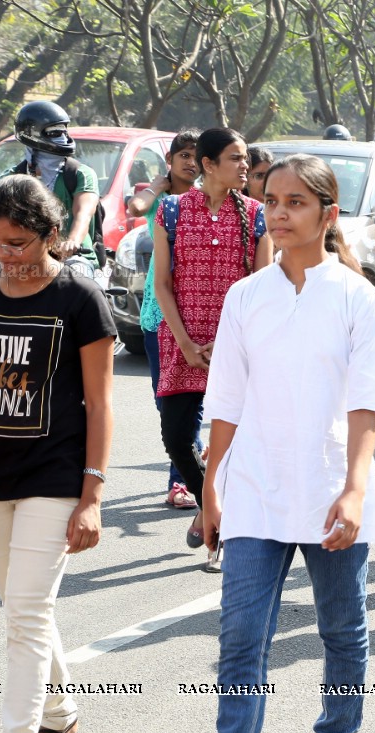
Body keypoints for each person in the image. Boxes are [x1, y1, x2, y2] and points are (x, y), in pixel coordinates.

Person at [202, 154, 375, 733]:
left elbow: (366, 403)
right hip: (254, 486)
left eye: (296, 203)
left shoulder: (361, 300)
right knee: (242, 637)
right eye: (272, 201)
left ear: (327, 215)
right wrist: (210, 488)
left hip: (333, 489)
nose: (278, 213)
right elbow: (224, 402)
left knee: (342, 631)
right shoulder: (245, 297)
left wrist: (356, 488)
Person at [0, 174, 115, 733]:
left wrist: (91, 495)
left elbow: (100, 403)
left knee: (26, 617)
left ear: (51, 235)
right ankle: (60, 719)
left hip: (54, 478)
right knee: (23, 611)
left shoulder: (79, 299)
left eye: (16, 242)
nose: (4, 255)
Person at [153, 127, 272, 572]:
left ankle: (220, 538)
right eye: (235, 158)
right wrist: (185, 342)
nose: (246, 166)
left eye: (245, 158)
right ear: (207, 164)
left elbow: (261, 291)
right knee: (177, 440)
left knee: (233, 449)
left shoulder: (258, 215)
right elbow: (163, 284)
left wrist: (225, 344)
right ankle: (209, 506)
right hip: (181, 344)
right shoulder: (171, 211)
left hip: (237, 349)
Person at [126, 129, 203, 510]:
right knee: (166, 401)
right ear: (170, 160)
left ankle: (183, 481)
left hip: (197, 312)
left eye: (195, 155)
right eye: (182, 155)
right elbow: (135, 207)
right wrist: (158, 184)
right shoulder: (163, 202)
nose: (190, 162)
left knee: (192, 403)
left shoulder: (207, 200)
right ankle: (191, 466)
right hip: (158, 315)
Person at [2, 101, 103, 278]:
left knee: (76, 280)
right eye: (55, 133)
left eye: (65, 131)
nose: (63, 138)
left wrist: (72, 242)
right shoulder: (10, 179)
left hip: (74, 257)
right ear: (32, 135)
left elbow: (83, 214)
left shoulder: (80, 174)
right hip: (26, 259)